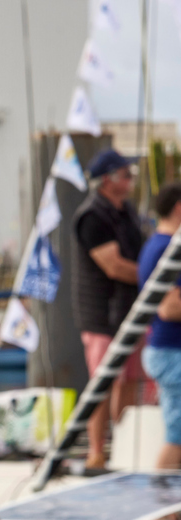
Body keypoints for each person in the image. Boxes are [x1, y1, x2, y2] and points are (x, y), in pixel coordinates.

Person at [73, 147, 148, 472]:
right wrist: (153, 277)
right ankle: (96, 452)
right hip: (101, 314)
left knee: (130, 380)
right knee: (102, 384)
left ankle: (123, 446)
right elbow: (114, 266)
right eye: (125, 174)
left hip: (130, 311)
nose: (131, 179)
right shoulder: (92, 216)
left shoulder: (126, 210)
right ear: (108, 180)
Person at [139, 181, 181, 470]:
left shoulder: (155, 245)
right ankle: (162, 510)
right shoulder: (167, 249)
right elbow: (169, 308)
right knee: (177, 435)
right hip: (171, 353)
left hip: (165, 350)